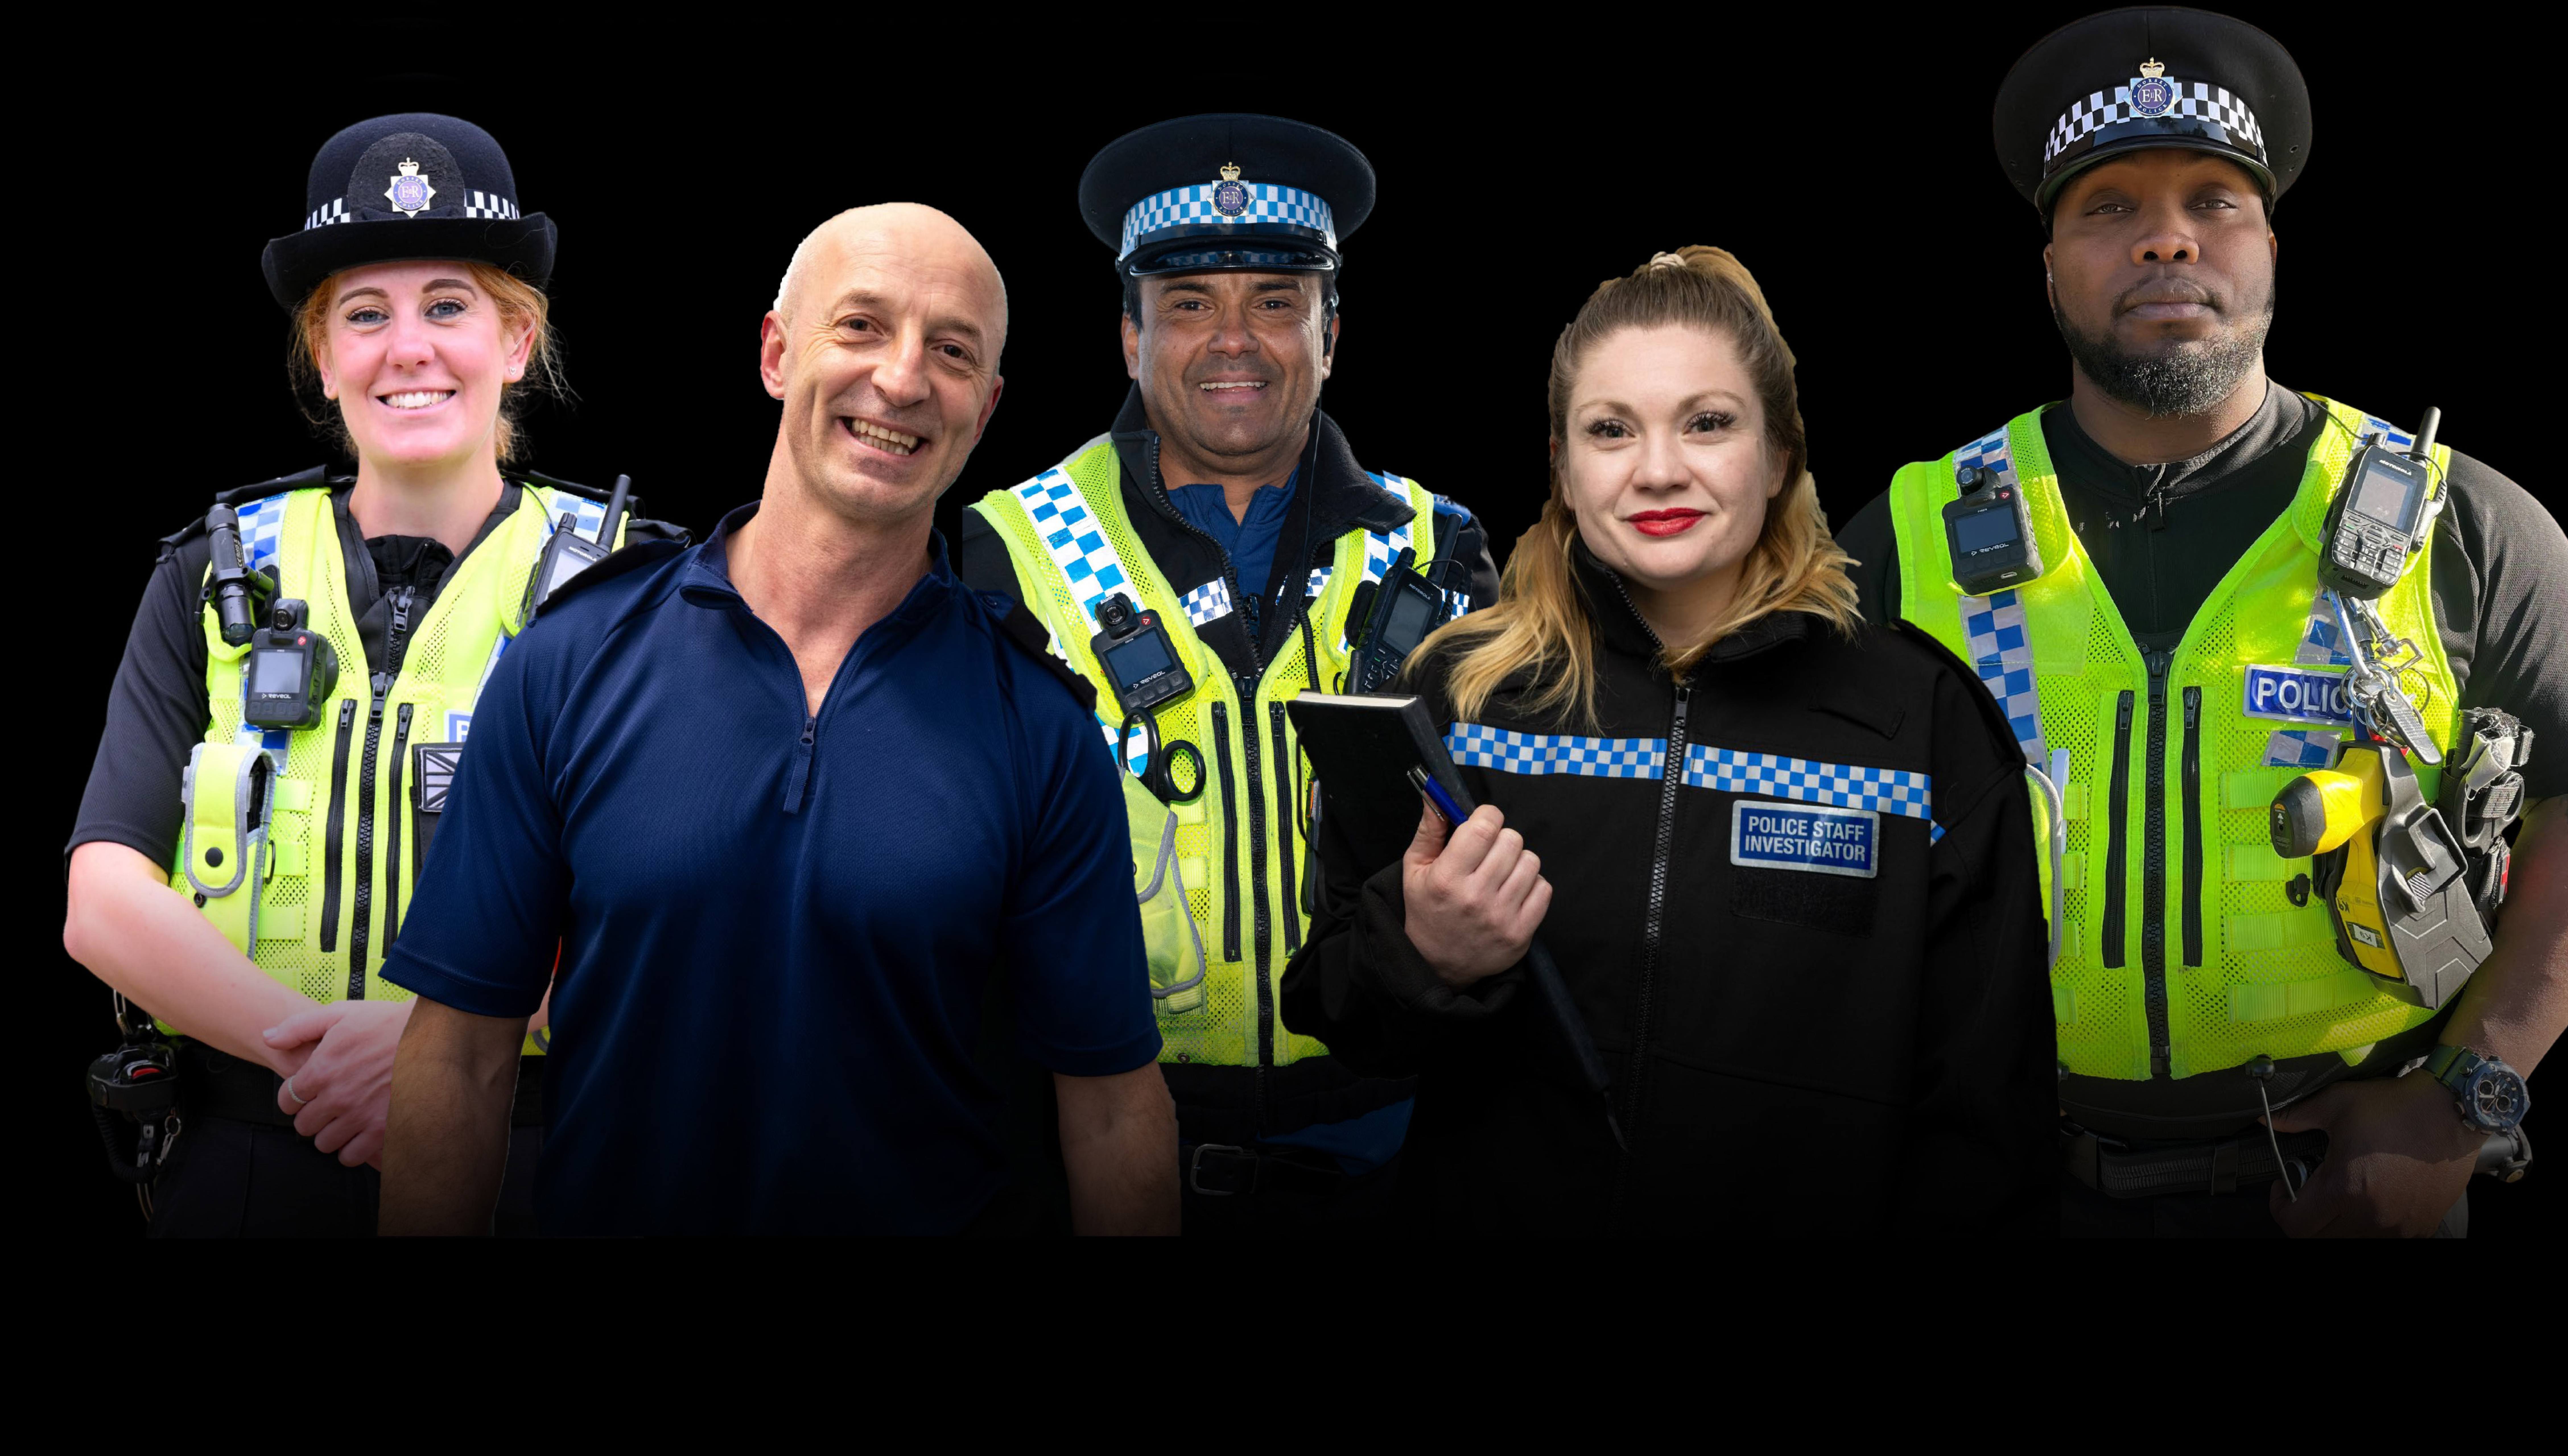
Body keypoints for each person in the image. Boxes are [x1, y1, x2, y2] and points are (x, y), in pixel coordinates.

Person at [1835, 7, 2568, 1236]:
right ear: (2048, 266)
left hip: (2345, 1196)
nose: (2167, 242)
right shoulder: (1902, 542)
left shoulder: (2457, 521)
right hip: (1993, 1178)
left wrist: (2459, 1104)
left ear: (2269, 248)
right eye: (2108, 209)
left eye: (2211, 202)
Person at [376, 203, 1179, 1236]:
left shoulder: (1041, 726)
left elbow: (1113, 1114)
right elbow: (459, 1058)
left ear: (982, 411)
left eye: (950, 351)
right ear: (774, 352)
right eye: (860, 326)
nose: (900, 378)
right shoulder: (568, 664)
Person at [1283, 248, 2058, 1234]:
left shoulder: (1918, 719)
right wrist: (1424, 953)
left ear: (1779, 455)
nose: (1657, 470)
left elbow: (1990, 1118)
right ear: (1562, 468)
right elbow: (1337, 1015)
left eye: (1707, 423)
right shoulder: (1459, 696)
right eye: (1610, 431)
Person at [60, 113, 665, 1236]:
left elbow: (704, 916)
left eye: (450, 305)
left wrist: (440, 1059)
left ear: (517, 342)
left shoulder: (646, 593)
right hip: (249, 1155)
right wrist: (333, 1057)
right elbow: (102, 899)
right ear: (324, 356)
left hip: (537, 1157)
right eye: (364, 314)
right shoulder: (207, 576)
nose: (409, 347)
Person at [963, 114, 1499, 1234]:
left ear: (1331, 330)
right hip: (1088, 1149)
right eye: (1190, 301)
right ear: (1127, 334)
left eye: (1273, 299)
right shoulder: (998, 550)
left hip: (1392, 1153)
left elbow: (1508, 851)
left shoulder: (1442, 548)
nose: (1234, 340)